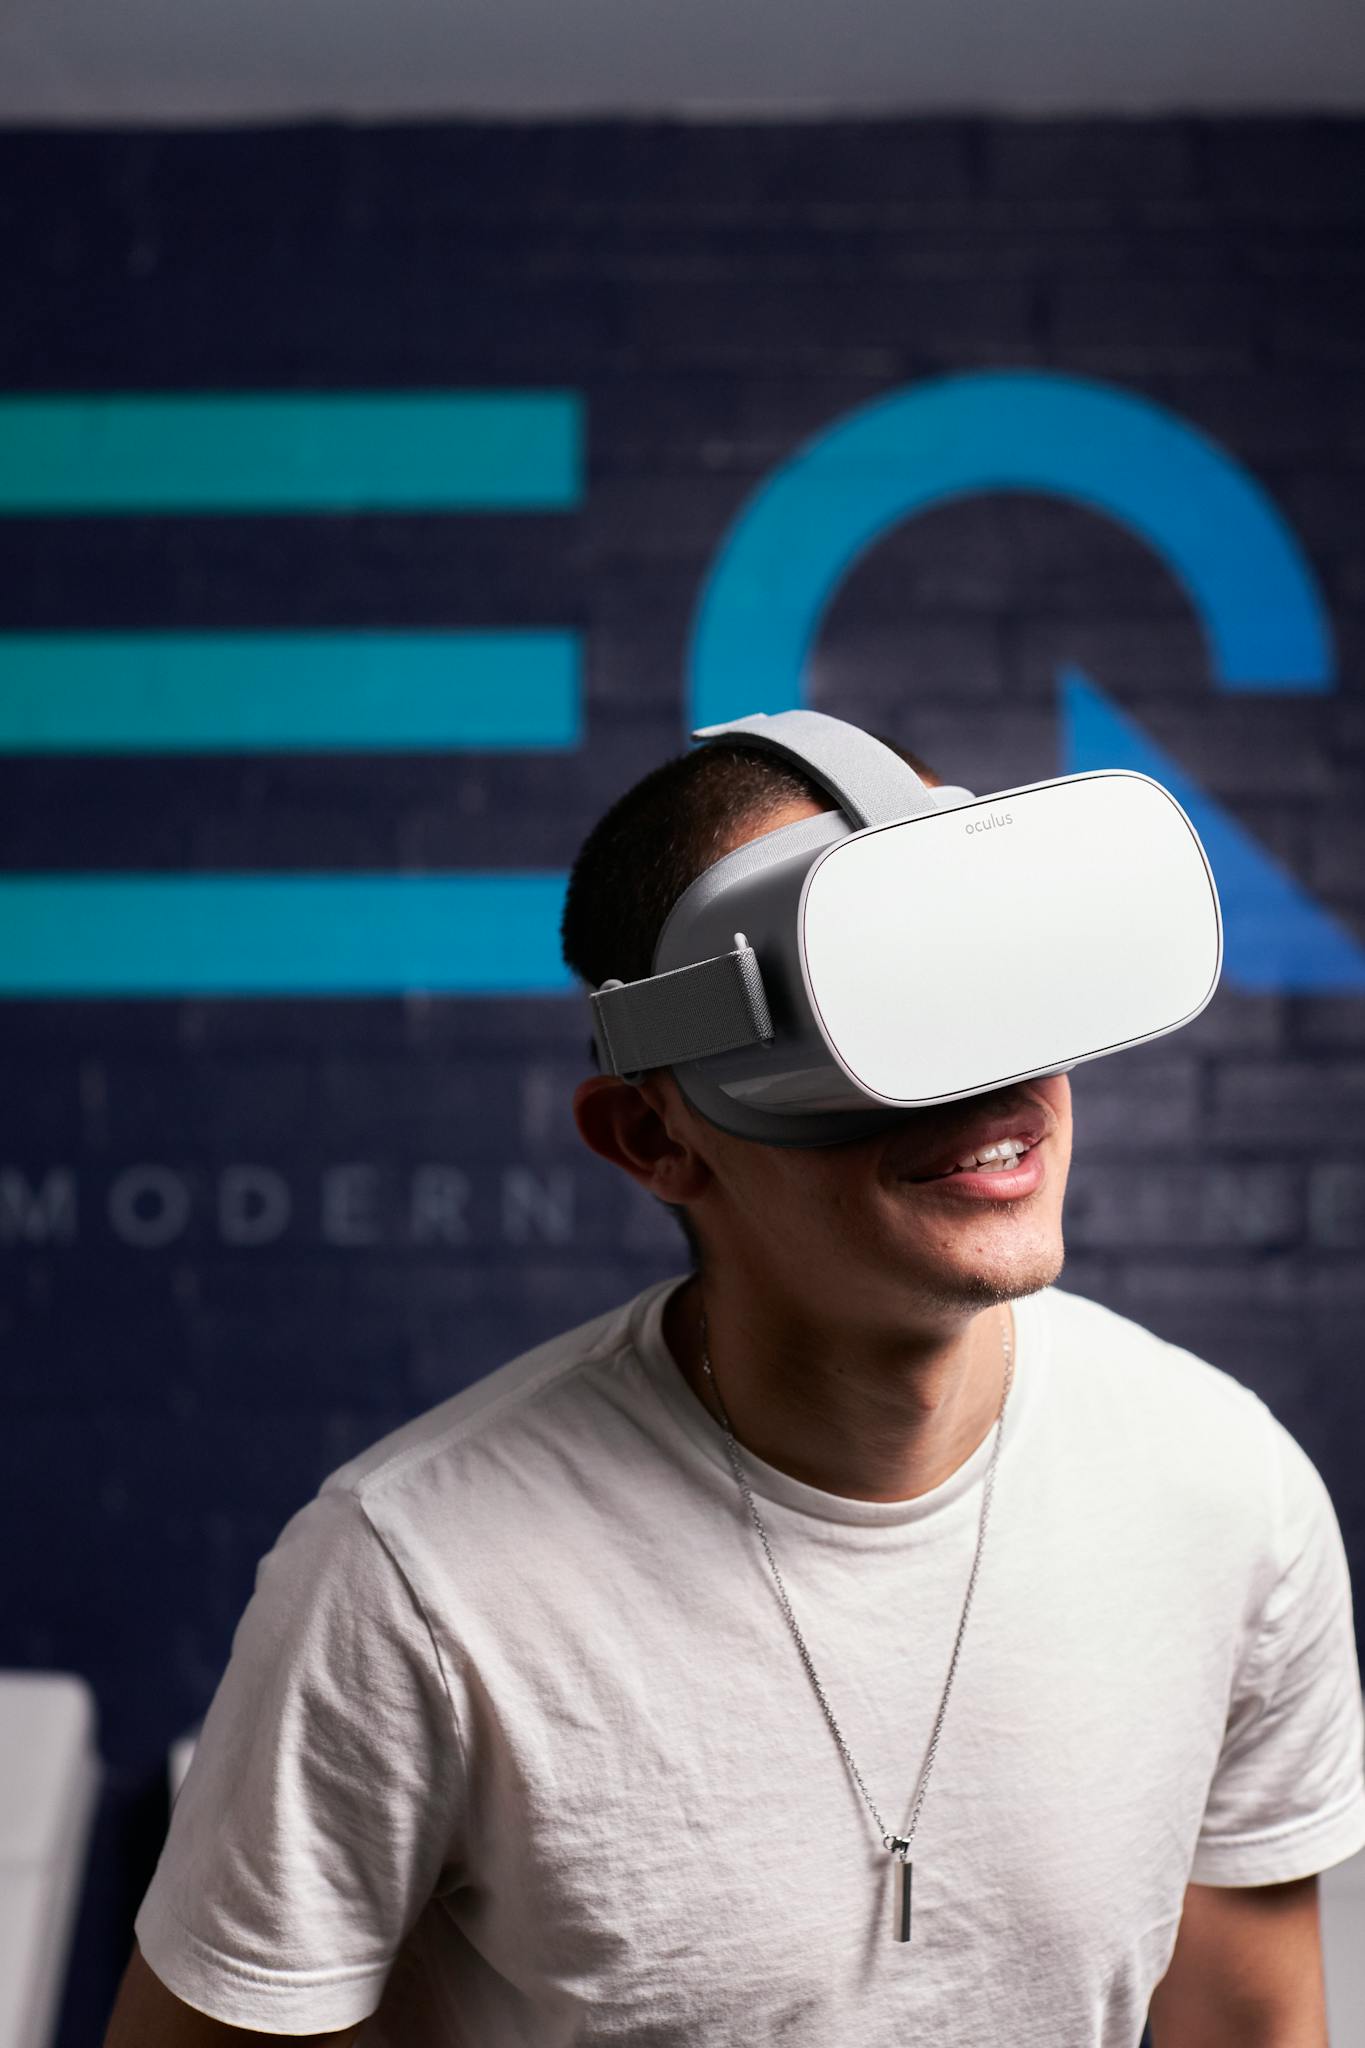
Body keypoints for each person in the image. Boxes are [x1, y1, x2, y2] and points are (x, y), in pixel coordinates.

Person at [106, 727, 1365, 2048]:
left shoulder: (1227, 1491)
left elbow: (1255, 2027)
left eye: (999, 970)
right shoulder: (410, 1582)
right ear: (654, 1138)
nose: (988, 1079)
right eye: (875, 1003)